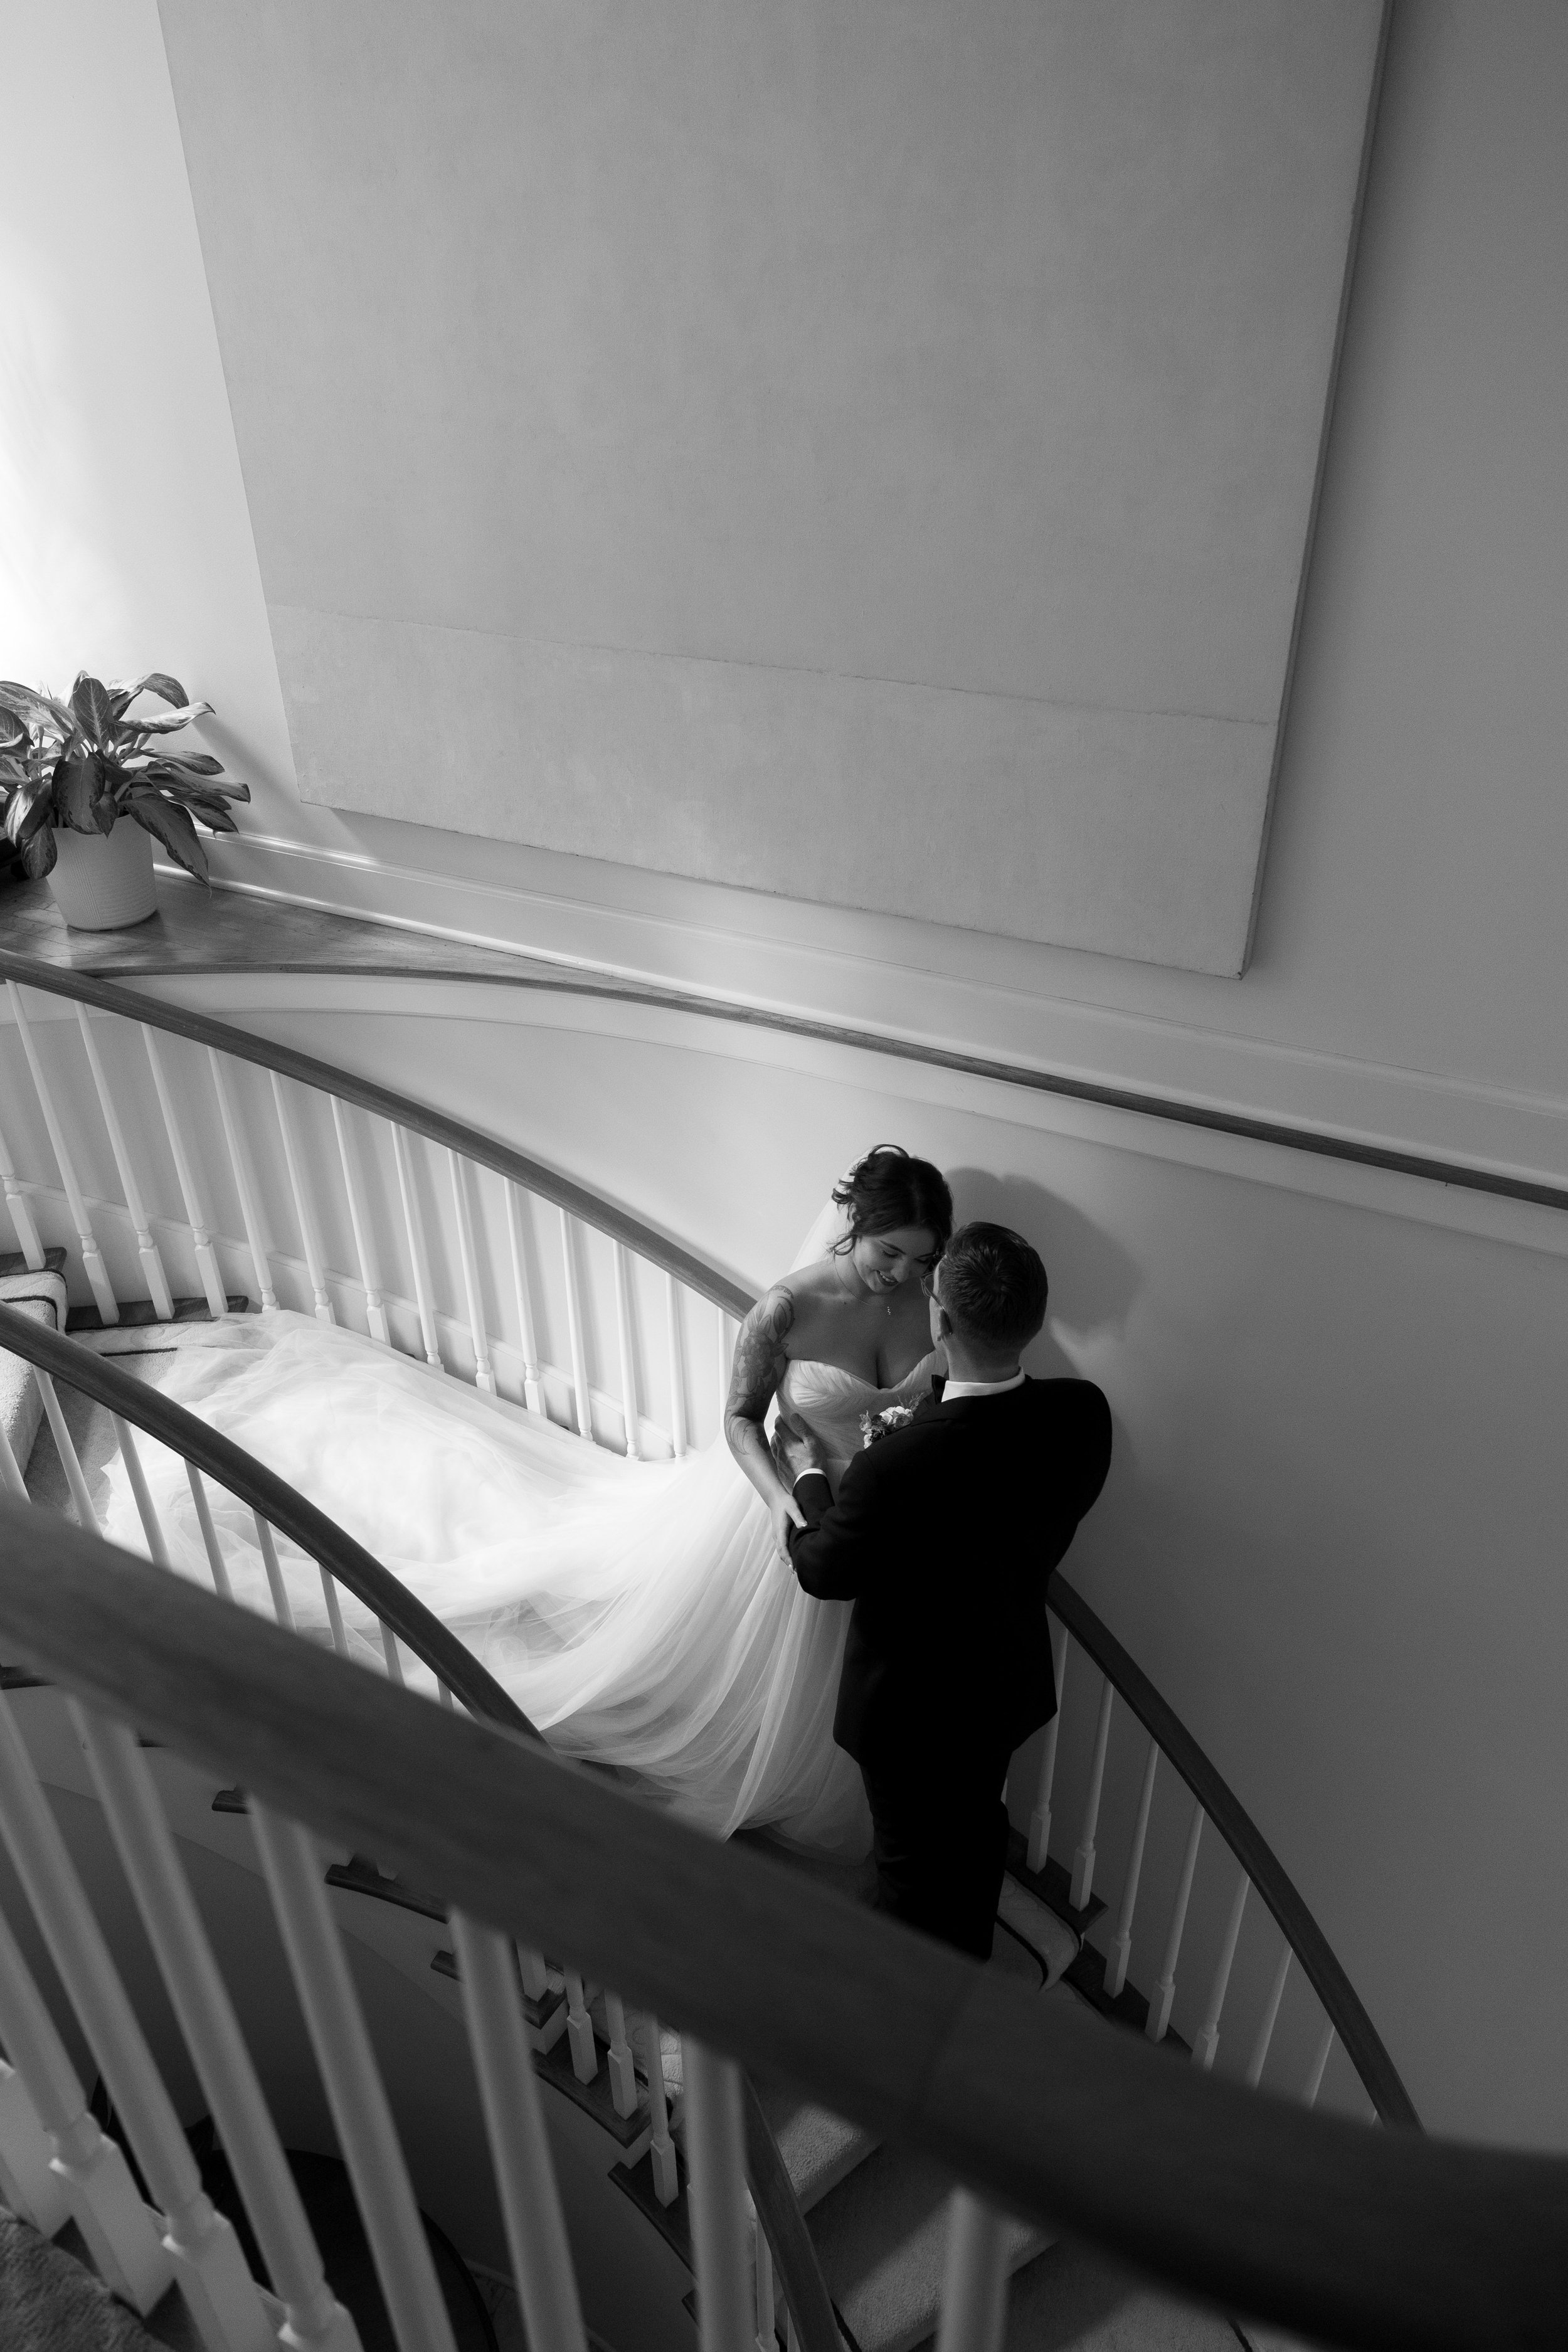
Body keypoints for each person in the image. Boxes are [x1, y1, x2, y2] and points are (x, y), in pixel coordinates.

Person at [96, 1147, 950, 1858]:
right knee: (692, 1659)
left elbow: (925, 1397)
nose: (903, 1276)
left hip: (863, 1520)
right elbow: (737, 1420)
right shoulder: (787, 1309)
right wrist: (778, 1500)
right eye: (890, 1255)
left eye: (920, 1259)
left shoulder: (926, 1304)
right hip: (783, 1510)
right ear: (855, 1230)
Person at [780, 1222, 1113, 1959]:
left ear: (940, 1319)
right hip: (1001, 1685)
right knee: (975, 1831)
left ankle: (921, 2012)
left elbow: (822, 1570)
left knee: (908, 1879)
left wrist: (806, 1472)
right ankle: (969, 1950)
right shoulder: (1082, 1417)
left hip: (911, 1718)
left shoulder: (898, 1467)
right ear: (1034, 1318)